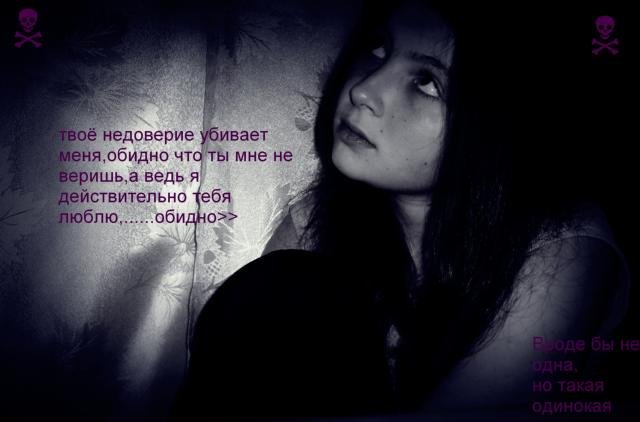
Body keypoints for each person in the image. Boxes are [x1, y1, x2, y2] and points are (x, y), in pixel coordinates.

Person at [177, 0, 631, 419]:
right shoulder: (314, 227)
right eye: (377, 49)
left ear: (502, 123)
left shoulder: (565, 245)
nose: (363, 90)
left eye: (427, 82)